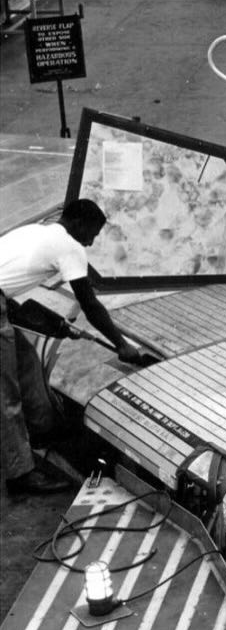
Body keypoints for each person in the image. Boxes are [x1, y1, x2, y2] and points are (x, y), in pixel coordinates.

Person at [0, 199, 143, 496]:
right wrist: (121, 344)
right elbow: (89, 303)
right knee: (6, 394)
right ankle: (21, 474)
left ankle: (42, 429)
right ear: (78, 224)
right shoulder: (69, 245)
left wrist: (58, 326)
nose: (90, 243)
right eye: (92, 233)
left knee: (25, 360)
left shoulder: (36, 231)